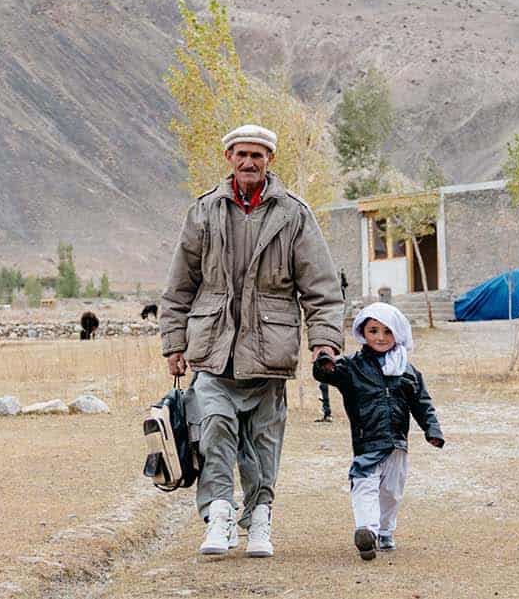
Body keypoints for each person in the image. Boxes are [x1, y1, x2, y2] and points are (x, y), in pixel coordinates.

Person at [161, 123, 346, 559]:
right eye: (241, 154)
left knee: (263, 441)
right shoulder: (203, 212)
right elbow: (178, 286)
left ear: (270, 161)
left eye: (257, 156)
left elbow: (321, 287)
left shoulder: (294, 214)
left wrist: (324, 343)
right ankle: (219, 515)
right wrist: (173, 342)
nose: (248, 162)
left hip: (269, 353)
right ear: (229, 158)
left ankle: (259, 517)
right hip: (214, 350)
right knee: (215, 430)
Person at [311, 302, 444, 561]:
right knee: (364, 482)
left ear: (399, 333)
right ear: (363, 332)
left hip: (396, 443)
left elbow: (422, 404)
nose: (380, 337)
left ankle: (384, 530)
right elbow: (327, 374)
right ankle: (366, 531)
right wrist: (324, 361)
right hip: (367, 441)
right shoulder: (352, 367)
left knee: (391, 492)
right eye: (373, 331)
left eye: (387, 331)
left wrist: (432, 429)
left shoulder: (408, 371)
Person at [316, 265, 351, 423]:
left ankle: (330, 411)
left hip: (333, 340)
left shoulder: (334, 301)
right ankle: (327, 411)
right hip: (328, 340)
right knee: (324, 378)